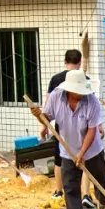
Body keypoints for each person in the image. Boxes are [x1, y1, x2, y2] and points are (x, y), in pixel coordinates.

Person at [35, 71, 105, 209]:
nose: (80, 94)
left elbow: (92, 130)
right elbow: (47, 117)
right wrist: (39, 117)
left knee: (101, 180)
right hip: (67, 149)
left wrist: (82, 153)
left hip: (91, 150)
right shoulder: (56, 97)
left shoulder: (92, 102)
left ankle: (102, 200)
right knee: (70, 186)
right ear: (68, 89)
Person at [43, 49, 85, 199]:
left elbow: (48, 103)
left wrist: (43, 125)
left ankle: (58, 190)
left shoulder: (56, 79)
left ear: (65, 61)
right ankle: (85, 194)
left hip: (62, 125)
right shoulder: (85, 78)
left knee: (59, 157)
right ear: (80, 62)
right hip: (82, 125)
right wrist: (99, 127)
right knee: (84, 157)